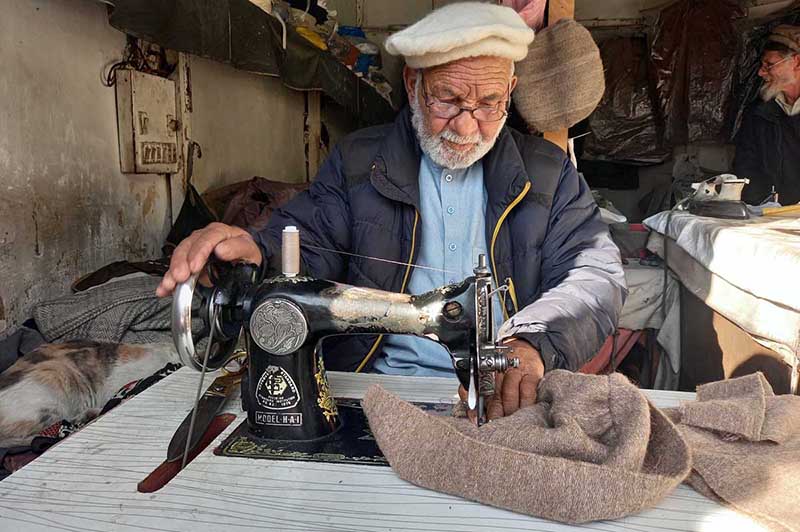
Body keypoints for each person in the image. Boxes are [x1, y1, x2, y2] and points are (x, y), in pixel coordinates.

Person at [157, 2, 626, 420]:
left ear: (512, 88)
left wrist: (533, 343)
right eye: (448, 99)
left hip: (506, 395)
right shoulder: (358, 161)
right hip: (373, 389)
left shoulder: (550, 174)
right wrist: (253, 251)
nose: (467, 125)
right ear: (412, 82)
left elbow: (595, 278)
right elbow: (307, 241)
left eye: (489, 103)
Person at [734, 25, 800, 205]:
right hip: (772, 217)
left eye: (769, 65)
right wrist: (762, 207)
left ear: (797, 62)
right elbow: (746, 166)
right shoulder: (759, 112)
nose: (761, 72)